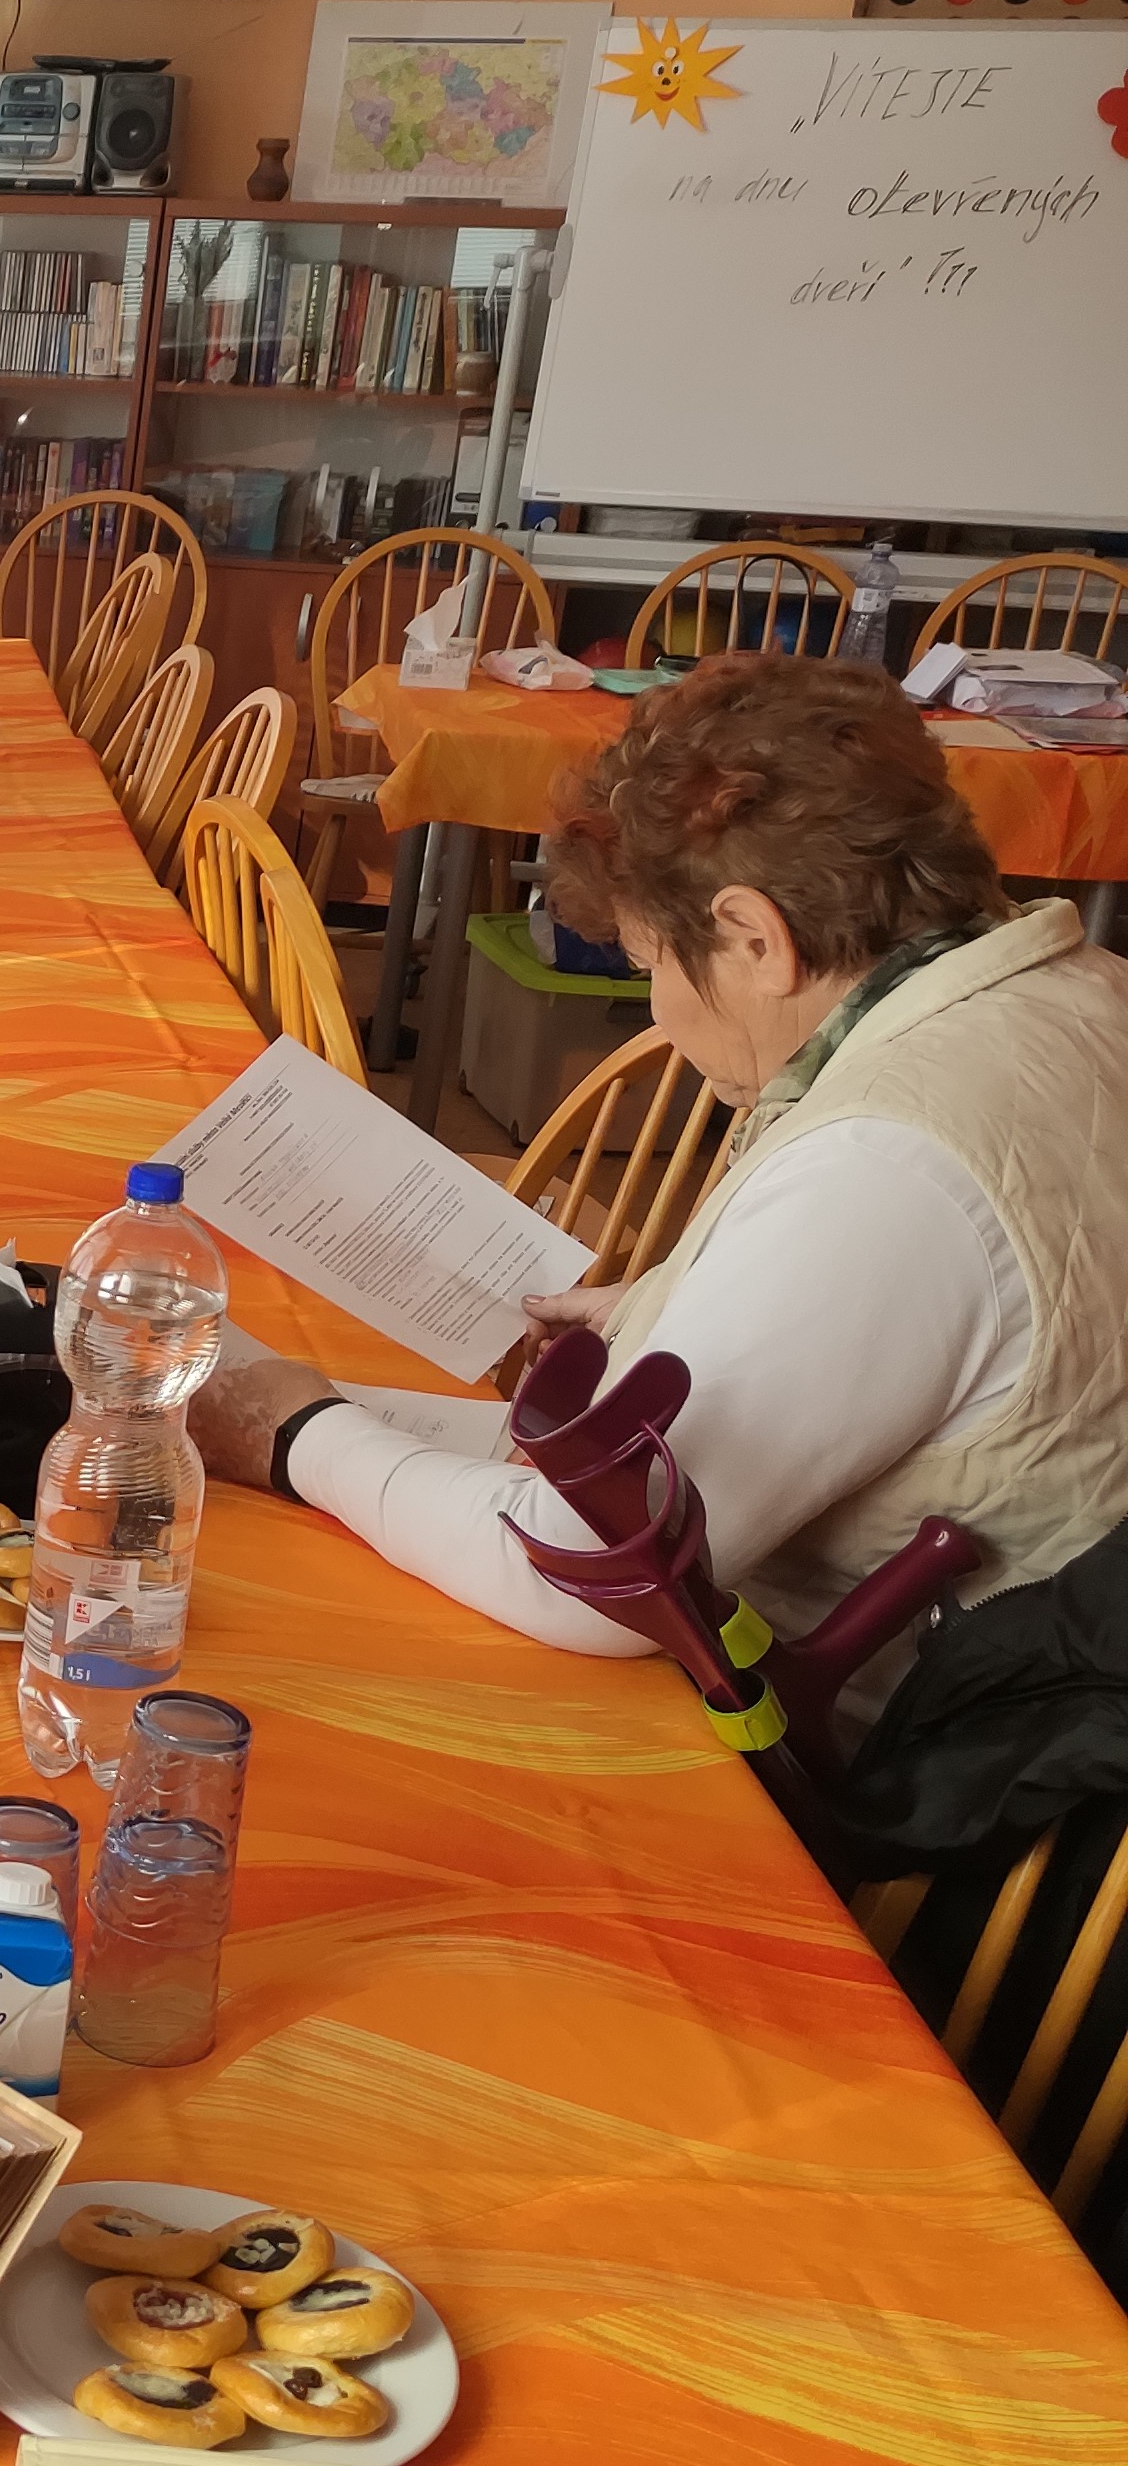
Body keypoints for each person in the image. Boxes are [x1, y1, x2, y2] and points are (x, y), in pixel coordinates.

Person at [190, 656, 1128, 1725]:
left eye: (652, 967)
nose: (659, 1015)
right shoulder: (1081, 991)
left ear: (754, 939)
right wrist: (673, 1304)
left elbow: (586, 1577)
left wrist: (298, 1434)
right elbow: (985, 1313)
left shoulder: (886, 1166)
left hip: (907, 1750)